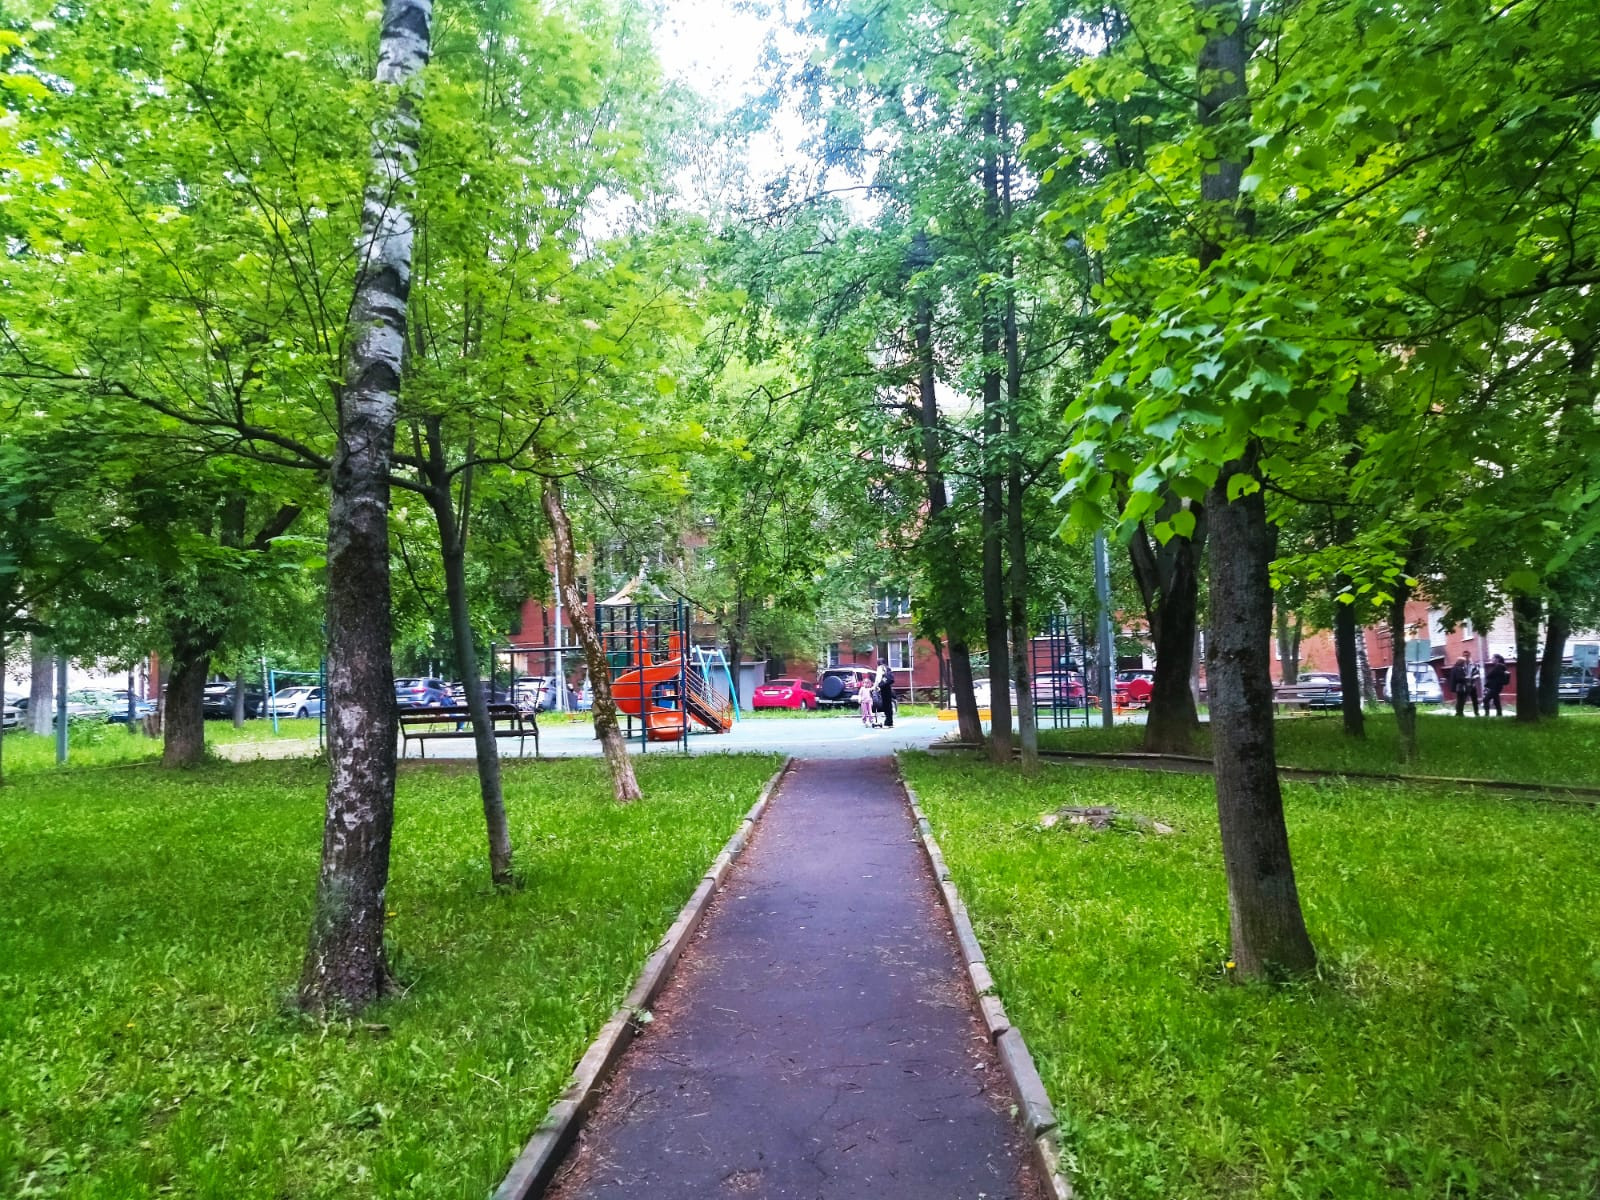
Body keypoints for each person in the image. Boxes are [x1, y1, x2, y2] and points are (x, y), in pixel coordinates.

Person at [876, 663, 896, 729]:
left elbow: (879, 680)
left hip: (885, 690)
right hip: (888, 689)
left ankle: (887, 723)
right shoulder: (888, 669)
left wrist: (878, 686)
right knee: (889, 706)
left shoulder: (882, 668)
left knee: (886, 706)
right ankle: (890, 722)